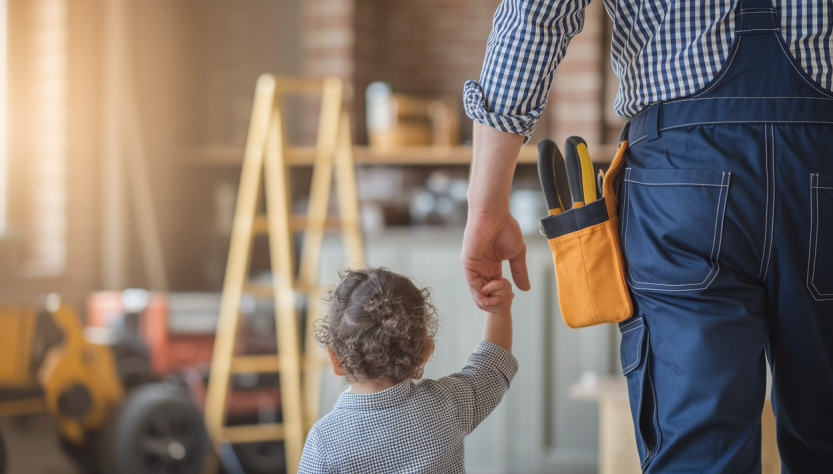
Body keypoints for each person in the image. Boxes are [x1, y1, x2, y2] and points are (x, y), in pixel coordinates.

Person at [462, 0, 833, 472]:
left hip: (680, 178)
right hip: (823, 165)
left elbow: (535, 15)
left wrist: (487, 205)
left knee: (698, 453)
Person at [298, 267, 518, 473]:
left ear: (335, 359)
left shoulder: (324, 441)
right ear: (424, 353)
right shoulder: (448, 403)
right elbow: (491, 366)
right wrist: (498, 310)